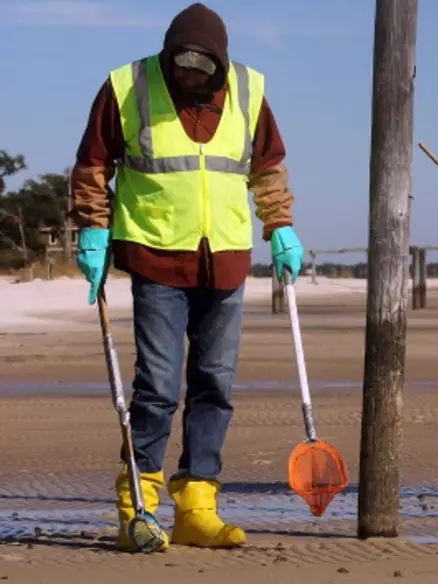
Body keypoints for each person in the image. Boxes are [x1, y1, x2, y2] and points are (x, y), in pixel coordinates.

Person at [69, 3, 303, 551]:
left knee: (215, 386)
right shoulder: (128, 86)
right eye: (182, 66)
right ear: (168, 55)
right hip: (155, 257)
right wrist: (93, 229)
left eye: (202, 69)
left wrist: (280, 225)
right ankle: (139, 505)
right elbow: (92, 164)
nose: (189, 76)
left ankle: (198, 503)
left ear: (221, 64)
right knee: (155, 385)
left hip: (225, 259)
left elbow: (266, 166)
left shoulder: (247, 90)